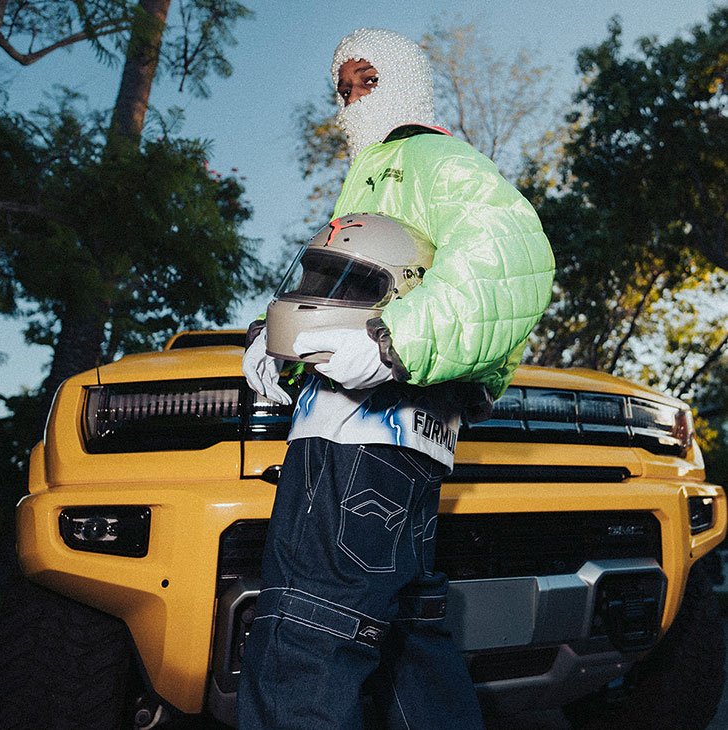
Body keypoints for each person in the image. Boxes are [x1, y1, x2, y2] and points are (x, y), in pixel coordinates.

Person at [237, 27, 554, 730]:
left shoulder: (429, 158)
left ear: (406, 83)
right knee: (410, 656)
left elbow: (513, 251)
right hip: (394, 454)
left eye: (368, 82)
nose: (351, 101)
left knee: (302, 652)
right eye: (343, 88)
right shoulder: (373, 173)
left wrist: (394, 345)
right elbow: (356, 286)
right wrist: (276, 341)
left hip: (355, 453)